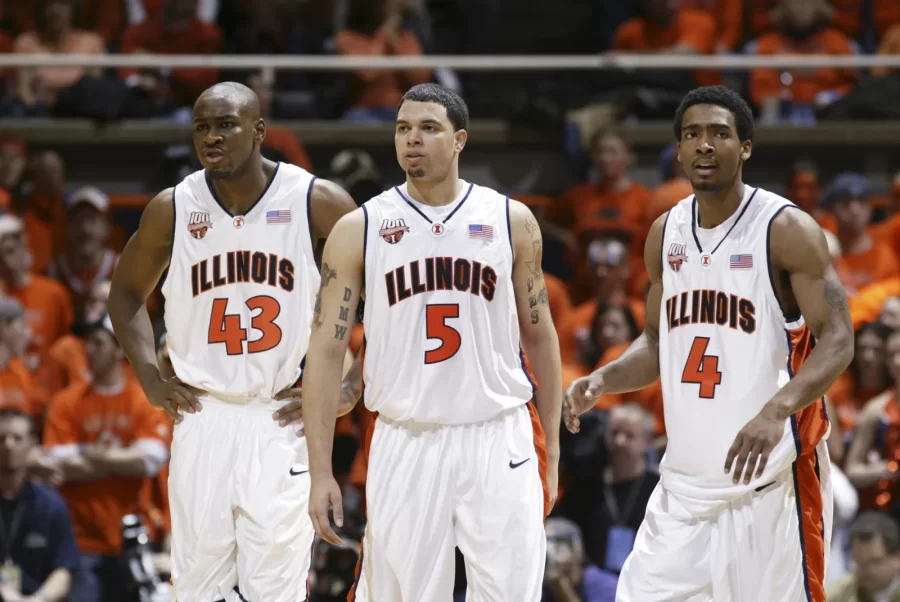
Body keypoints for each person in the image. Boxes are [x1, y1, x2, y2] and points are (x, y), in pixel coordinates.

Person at [565, 85, 855, 602]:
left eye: (719, 133)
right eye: (692, 135)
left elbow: (838, 340)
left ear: (745, 146)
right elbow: (658, 343)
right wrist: (604, 378)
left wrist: (776, 410)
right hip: (683, 489)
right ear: (677, 150)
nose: (704, 145)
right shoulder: (665, 233)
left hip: (770, 486)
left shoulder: (785, 229)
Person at [303, 83, 563, 601]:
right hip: (406, 436)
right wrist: (320, 473)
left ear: (460, 139)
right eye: (403, 128)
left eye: (428, 128)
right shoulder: (361, 227)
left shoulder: (510, 220)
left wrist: (552, 451)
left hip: (498, 434)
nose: (412, 140)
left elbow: (540, 335)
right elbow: (327, 349)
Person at [107, 81, 358, 602]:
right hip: (203, 413)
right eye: (202, 127)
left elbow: (387, 295)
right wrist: (149, 379)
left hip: (281, 413)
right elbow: (126, 292)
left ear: (260, 130)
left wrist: (352, 383)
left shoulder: (317, 201)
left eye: (226, 125)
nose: (211, 137)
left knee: (277, 587)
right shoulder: (173, 208)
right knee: (195, 587)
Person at [0, 409, 78, 602]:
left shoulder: (51, 504)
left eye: (17, 438)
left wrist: (37, 600)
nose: (8, 445)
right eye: (1, 438)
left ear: (31, 444)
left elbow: (63, 571)